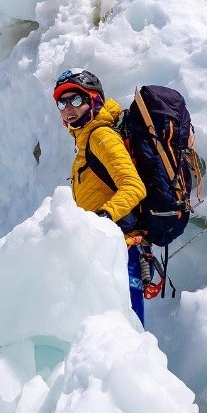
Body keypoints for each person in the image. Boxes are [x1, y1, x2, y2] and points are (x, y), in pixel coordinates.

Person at [53, 68, 148, 325]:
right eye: (62, 102)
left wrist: (103, 217)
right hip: (104, 252)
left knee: (126, 336)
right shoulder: (85, 142)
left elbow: (134, 187)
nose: (68, 108)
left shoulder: (101, 136)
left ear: (94, 100)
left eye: (75, 99)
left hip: (121, 250)